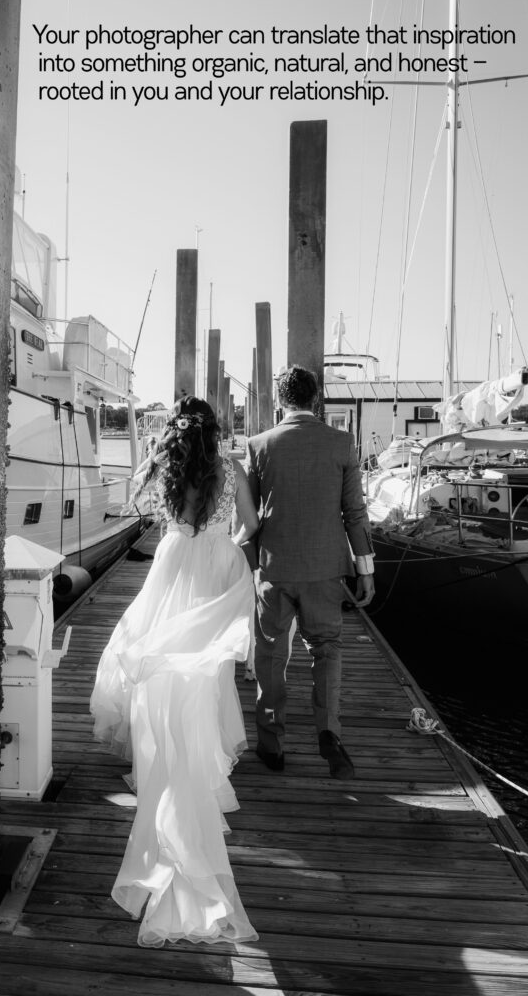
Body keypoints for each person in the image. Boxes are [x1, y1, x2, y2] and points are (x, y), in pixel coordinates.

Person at [90, 395, 260, 948]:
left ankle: (162, 764)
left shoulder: (167, 465)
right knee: (205, 672)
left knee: (160, 665)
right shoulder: (230, 466)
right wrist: (225, 545)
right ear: (218, 428)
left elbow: (161, 517)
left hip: (173, 559)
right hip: (217, 564)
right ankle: (196, 763)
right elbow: (251, 524)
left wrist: (188, 537)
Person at [243, 365, 374, 781]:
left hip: (274, 568)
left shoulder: (258, 445)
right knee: (327, 649)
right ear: (315, 399)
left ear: (280, 401)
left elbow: (248, 520)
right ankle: (329, 734)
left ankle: (272, 744)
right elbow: (355, 512)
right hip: (325, 569)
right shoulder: (341, 443)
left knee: (271, 655)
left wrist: (246, 565)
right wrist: (365, 569)